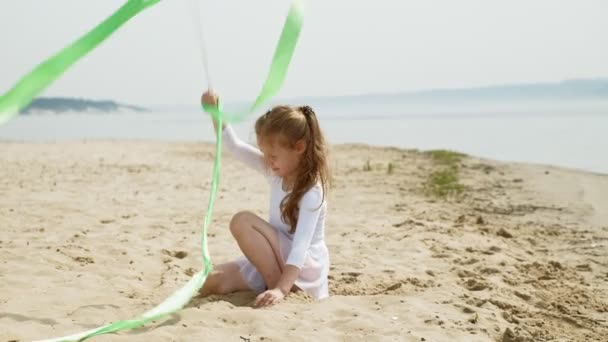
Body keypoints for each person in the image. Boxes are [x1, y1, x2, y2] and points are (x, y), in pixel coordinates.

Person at [199, 90, 331, 307]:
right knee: (209, 282)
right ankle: (272, 283)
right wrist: (216, 112)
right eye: (264, 153)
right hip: (275, 258)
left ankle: (273, 287)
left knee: (242, 220)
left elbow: (300, 248)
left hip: (302, 269)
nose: (268, 161)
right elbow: (234, 145)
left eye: (273, 155)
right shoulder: (276, 171)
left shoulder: (311, 192)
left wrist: (281, 288)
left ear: (299, 148)